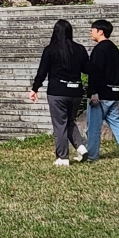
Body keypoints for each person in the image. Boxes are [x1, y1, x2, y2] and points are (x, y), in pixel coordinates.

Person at [29, 19, 92, 166]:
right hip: (76, 92)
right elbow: (87, 69)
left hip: (58, 92)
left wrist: (35, 89)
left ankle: (63, 157)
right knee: (69, 121)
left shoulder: (50, 50)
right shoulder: (79, 49)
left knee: (59, 125)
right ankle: (81, 148)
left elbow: (42, 72)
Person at [85, 19, 119, 163]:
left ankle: (92, 155)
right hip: (114, 92)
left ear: (100, 31)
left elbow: (95, 72)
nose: (90, 31)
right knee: (116, 122)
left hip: (101, 94)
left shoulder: (99, 50)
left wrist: (93, 92)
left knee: (93, 127)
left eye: (93, 29)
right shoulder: (114, 48)